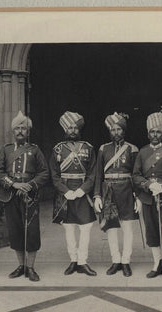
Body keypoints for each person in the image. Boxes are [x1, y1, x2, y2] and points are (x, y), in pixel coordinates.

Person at [0, 111, 49, 282]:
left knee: (31, 232)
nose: (20, 131)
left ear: (28, 131)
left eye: (23, 128)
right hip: (11, 195)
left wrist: (30, 185)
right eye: (17, 128)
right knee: (15, 230)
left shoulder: (35, 150)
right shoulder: (6, 150)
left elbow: (44, 172)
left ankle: (31, 267)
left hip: (30, 196)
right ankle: (20, 265)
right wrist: (14, 184)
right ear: (12, 130)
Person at [93, 112, 141, 277]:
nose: (115, 132)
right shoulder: (103, 149)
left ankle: (126, 261)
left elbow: (136, 175)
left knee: (128, 229)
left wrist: (138, 197)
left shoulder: (132, 149)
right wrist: (97, 195)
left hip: (127, 191)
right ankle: (116, 260)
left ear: (124, 130)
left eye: (118, 129)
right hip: (108, 192)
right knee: (111, 229)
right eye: (113, 129)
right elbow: (98, 174)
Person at [50, 111, 98, 276]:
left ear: (79, 129)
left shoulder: (88, 148)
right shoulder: (57, 149)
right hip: (65, 193)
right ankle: (73, 260)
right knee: (69, 228)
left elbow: (93, 174)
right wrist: (65, 191)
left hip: (82, 193)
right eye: (69, 127)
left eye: (75, 127)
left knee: (86, 227)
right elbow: (54, 175)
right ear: (65, 129)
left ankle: (83, 261)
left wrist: (82, 190)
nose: (72, 130)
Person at [133, 112, 162, 282]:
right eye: (152, 132)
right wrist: (147, 185)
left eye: (158, 132)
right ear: (148, 133)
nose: (155, 135)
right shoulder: (142, 152)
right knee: (151, 232)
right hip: (147, 198)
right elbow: (135, 175)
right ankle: (156, 265)